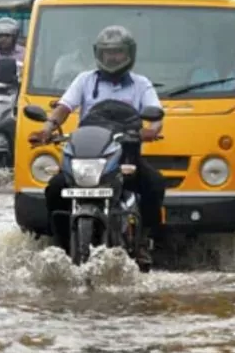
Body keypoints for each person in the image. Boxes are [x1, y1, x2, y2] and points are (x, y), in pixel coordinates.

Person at [28, 26, 164, 266]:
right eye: (107, 52)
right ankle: (58, 247)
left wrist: (150, 130)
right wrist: (47, 129)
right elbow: (64, 107)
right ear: (98, 55)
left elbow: (155, 115)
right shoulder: (84, 80)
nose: (112, 57)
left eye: (118, 52)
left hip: (125, 158)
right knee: (54, 188)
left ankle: (144, 242)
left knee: (154, 184)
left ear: (129, 54)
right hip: (86, 158)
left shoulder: (141, 84)